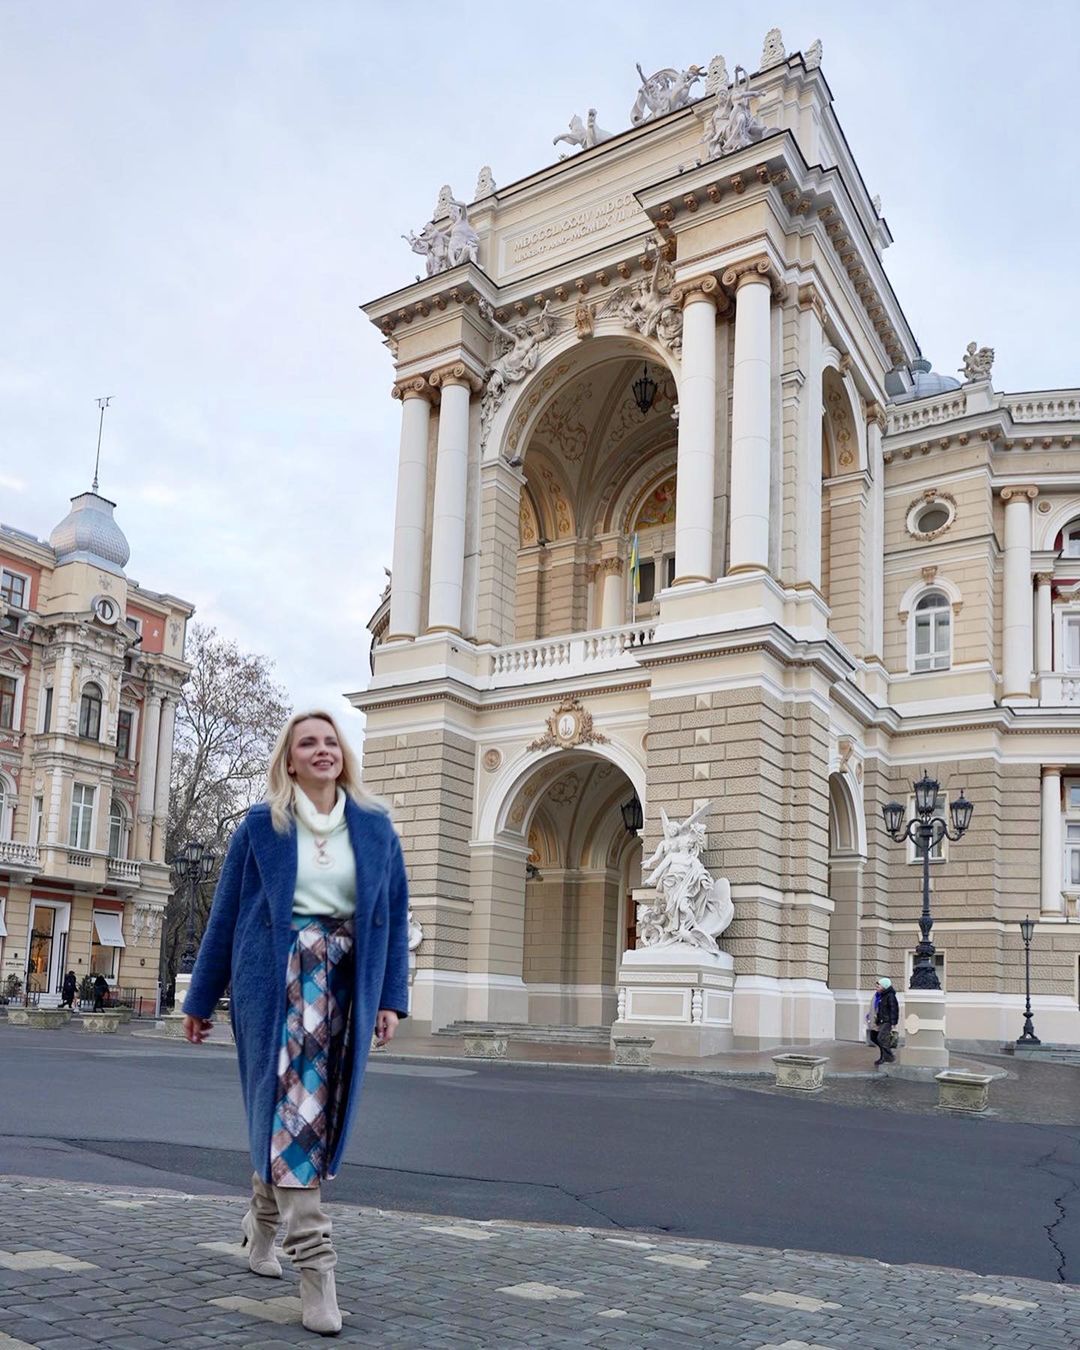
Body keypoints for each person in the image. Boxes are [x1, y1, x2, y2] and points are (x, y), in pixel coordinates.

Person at [182, 710, 409, 1336]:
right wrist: (201, 998)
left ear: (344, 754)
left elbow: (393, 915)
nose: (322, 750)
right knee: (295, 1115)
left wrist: (391, 998)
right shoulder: (262, 825)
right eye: (308, 743)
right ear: (289, 759)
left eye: (331, 741)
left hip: (344, 986)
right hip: (274, 983)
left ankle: (259, 1226)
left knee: (307, 1115)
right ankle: (317, 1268)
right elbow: (225, 914)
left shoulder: (376, 827)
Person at [870, 977, 899, 1066]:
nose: (876, 988)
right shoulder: (882, 995)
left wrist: (893, 1023)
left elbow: (894, 1009)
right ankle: (884, 1056)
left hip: (887, 1021)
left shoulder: (890, 996)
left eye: (878, 986)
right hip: (881, 1020)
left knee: (881, 1038)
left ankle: (889, 1057)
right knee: (874, 1037)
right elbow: (879, 1009)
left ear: (884, 986)